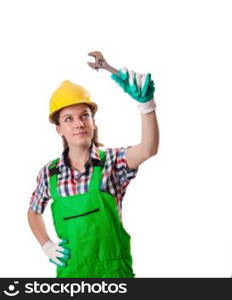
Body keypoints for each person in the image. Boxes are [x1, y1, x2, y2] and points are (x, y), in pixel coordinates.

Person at [27, 68, 160, 277]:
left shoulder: (112, 163)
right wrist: (46, 244)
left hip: (114, 274)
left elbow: (148, 149)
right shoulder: (49, 174)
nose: (79, 123)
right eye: (68, 119)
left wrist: (147, 106)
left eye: (84, 116)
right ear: (59, 129)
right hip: (72, 275)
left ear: (93, 122)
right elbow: (34, 212)